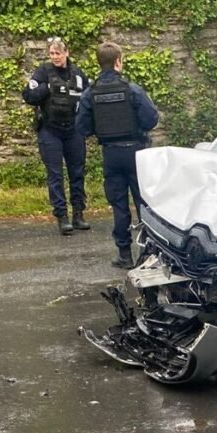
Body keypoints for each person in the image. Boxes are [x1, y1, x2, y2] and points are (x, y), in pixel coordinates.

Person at [76, 42, 159, 269]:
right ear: (118, 62)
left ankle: (124, 254)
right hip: (135, 152)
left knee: (119, 206)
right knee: (144, 204)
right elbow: (151, 119)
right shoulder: (132, 90)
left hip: (111, 154)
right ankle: (148, 253)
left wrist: (101, 129)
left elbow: (81, 126)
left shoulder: (90, 93)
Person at [22, 37, 90, 235]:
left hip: (73, 130)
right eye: (52, 53)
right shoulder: (43, 72)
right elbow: (28, 96)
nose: (55, 57)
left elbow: (87, 100)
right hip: (50, 130)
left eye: (58, 53)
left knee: (77, 172)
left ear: (66, 53)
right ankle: (62, 216)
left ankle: (78, 214)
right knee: (55, 174)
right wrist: (47, 89)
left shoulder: (78, 74)